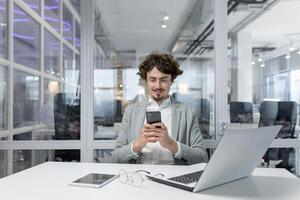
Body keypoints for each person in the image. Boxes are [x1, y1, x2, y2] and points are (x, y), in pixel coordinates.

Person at [111, 53, 208, 165]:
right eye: (152, 80)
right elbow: (115, 157)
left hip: (173, 178)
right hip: (140, 176)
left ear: (171, 81)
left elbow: (202, 157)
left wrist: (171, 144)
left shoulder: (187, 112)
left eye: (163, 80)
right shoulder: (131, 111)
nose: (158, 86)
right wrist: (138, 143)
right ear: (146, 81)